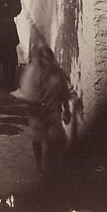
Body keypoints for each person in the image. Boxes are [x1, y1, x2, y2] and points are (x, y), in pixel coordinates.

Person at [28, 48, 72, 179]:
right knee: (37, 139)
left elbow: (64, 92)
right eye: (44, 59)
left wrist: (66, 110)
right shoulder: (34, 74)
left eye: (49, 59)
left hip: (54, 111)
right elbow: (29, 94)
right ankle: (39, 165)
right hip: (37, 112)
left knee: (55, 139)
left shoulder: (58, 74)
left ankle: (53, 168)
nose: (47, 62)